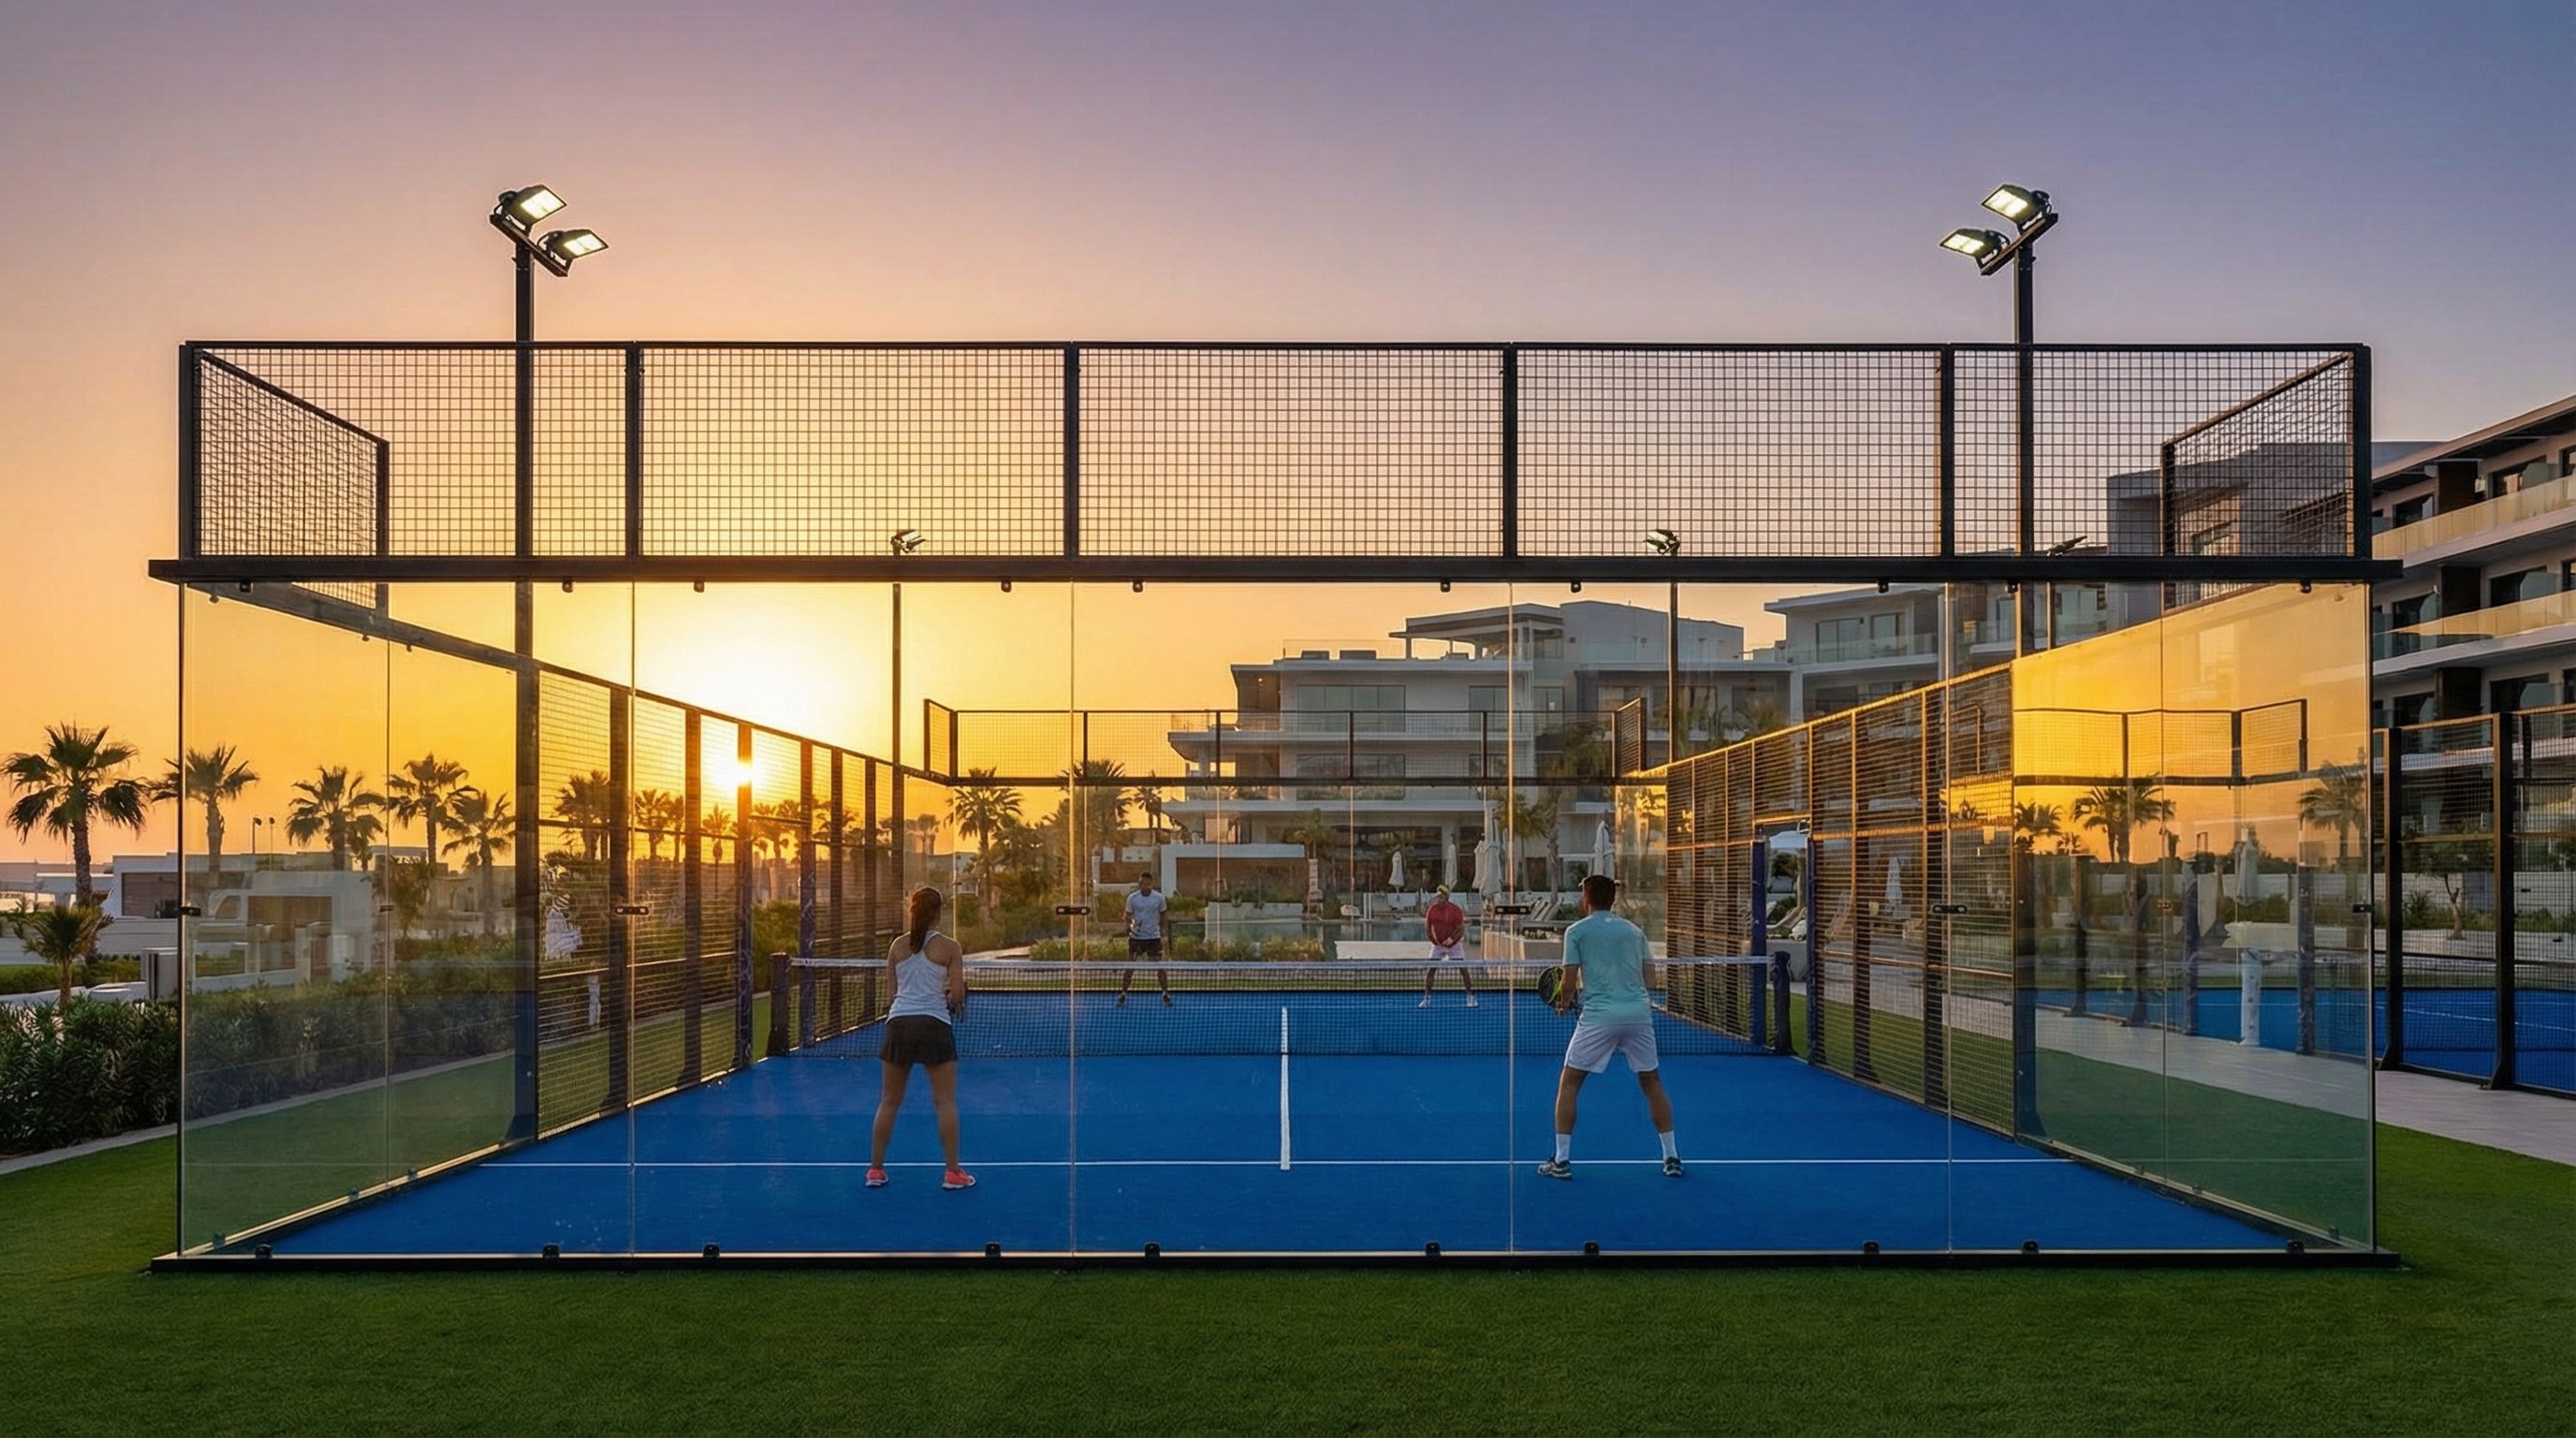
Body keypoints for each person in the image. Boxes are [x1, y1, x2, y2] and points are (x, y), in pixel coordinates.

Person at [1538, 873, 1680, 1181]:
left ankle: (1561, 1161)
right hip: (1638, 1015)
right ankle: (1672, 1157)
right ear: (1612, 900)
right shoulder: (1634, 931)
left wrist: (1564, 1003)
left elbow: (1569, 979)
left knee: (1570, 1082)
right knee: (1652, 1082)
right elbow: (1651, 980)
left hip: (1599, 1017)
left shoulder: (1576, 931)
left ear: (1585, 900)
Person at [867, 886, 973, 1191]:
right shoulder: (950, 947)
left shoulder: (896, 947)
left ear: (911, 911)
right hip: (934, 1026)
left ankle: (875, 1170)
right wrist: (953, 997)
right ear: (938, 913)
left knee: (888, 1100)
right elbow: (956, 994)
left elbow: (892, 995)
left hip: (899, 1024)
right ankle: (952, 1173)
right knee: (945, 1102)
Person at [1116, 870, 1172, 1007]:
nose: (1145, 887)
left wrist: (1163, 930)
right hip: (1136, 939)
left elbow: (1164, 915)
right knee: (1130, 968)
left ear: (1151, 884)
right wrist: (1132, 926)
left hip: (1153, 938)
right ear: (1139, 884)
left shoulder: (1159, 898)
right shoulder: (1132, 898)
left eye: (1148, 884)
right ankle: (1123, 994)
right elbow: (1128, 917)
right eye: (1142, 884)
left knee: (1160, 968)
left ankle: (1165, 994)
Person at [1420, 885, 1476, 1007]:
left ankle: (1470, 997)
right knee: (1431, 969)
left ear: (1446, 897)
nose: (1438, 899)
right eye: (1437, 897)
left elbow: (1461, 929)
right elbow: (1428, 927)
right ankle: (1426, 999)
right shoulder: (1432, 910)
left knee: (1463, 969)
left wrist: (1452, 941)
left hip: (1454, 944)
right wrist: (1434, 941)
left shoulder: (1455, 910)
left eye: (1441, 897)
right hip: (1438, 945)